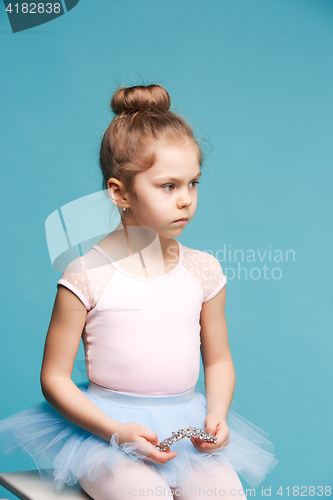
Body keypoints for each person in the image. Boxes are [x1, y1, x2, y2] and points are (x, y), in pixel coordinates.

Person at [0, 84, 278, 500]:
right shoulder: (86, 275)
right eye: (168, 186)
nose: (186, 200)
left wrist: (216, 414)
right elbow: (55, 377)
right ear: (120, 192)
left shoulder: (204, 271)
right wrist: (115, 431)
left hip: (184, 426)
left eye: (193, 183)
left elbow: (217, 358)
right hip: (105, 432)